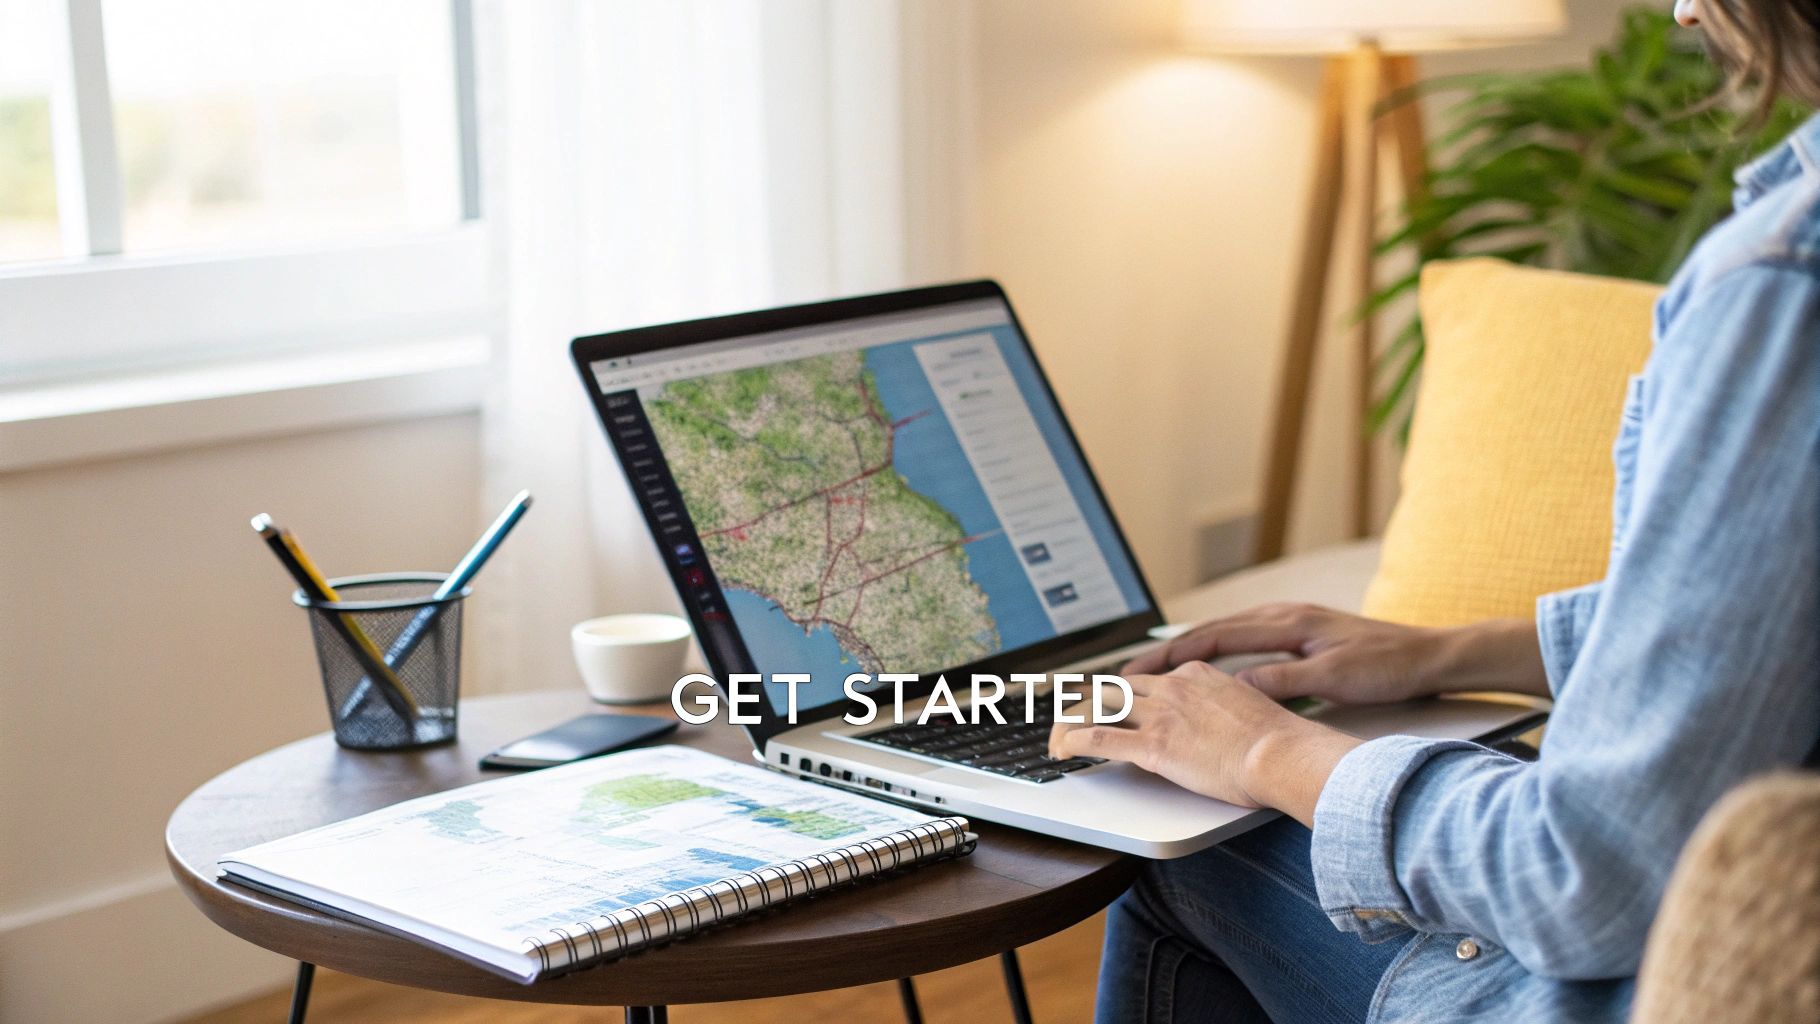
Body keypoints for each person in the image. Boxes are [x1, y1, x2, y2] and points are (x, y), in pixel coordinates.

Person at [1050, 1, 1820, 1020]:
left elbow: (1583, 876)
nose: (1682, 9)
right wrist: (1442, 652)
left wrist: (1262, 751)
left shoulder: (1779, 284)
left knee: (1187, 855)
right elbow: (1764, 620)